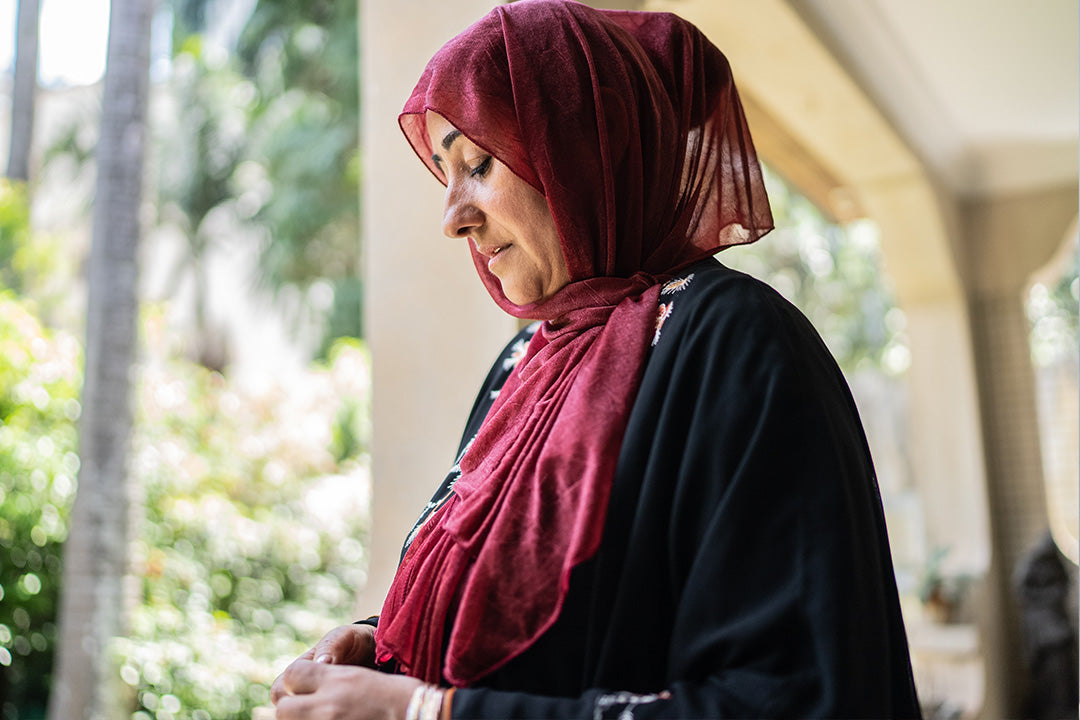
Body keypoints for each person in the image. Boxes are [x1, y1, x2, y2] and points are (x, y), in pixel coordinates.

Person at [271, 1, 922, 718]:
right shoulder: (528, 362)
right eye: (443, 172)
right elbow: (531, 620)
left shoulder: (738, 346)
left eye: (479, 163)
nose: (452, 216)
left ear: (589, 145)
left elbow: (788, 700)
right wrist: (383, 648)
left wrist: (421, 714)